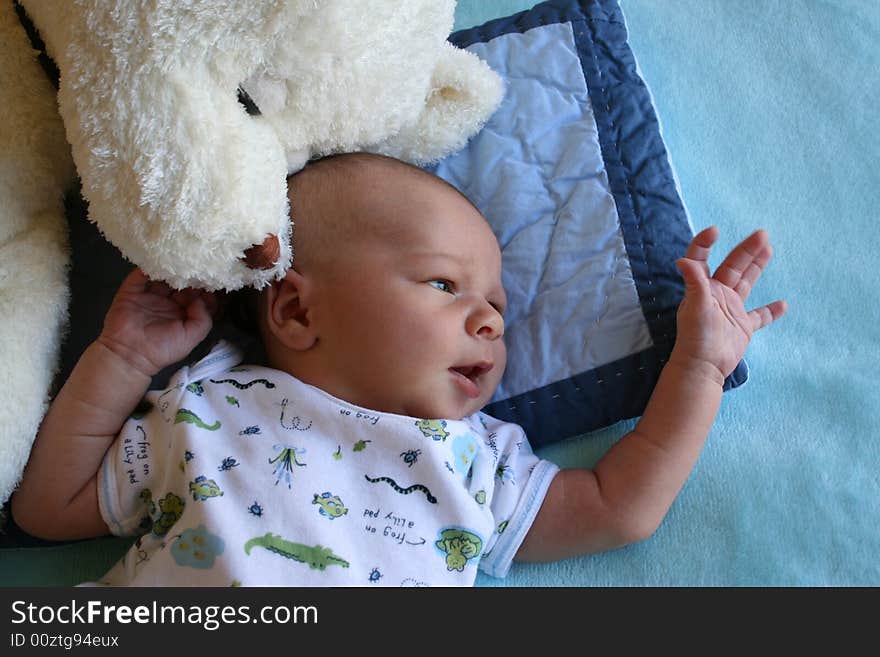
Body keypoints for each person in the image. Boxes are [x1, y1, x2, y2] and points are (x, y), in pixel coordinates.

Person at [11, 153, 787, 586]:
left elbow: (621, 505)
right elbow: (49, 508)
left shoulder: (479, 459)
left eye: (498, 309)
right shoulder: (205, 402)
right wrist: (125, 358)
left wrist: (699, 365)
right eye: (445, 285)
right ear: (297, 312)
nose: (489, 320)